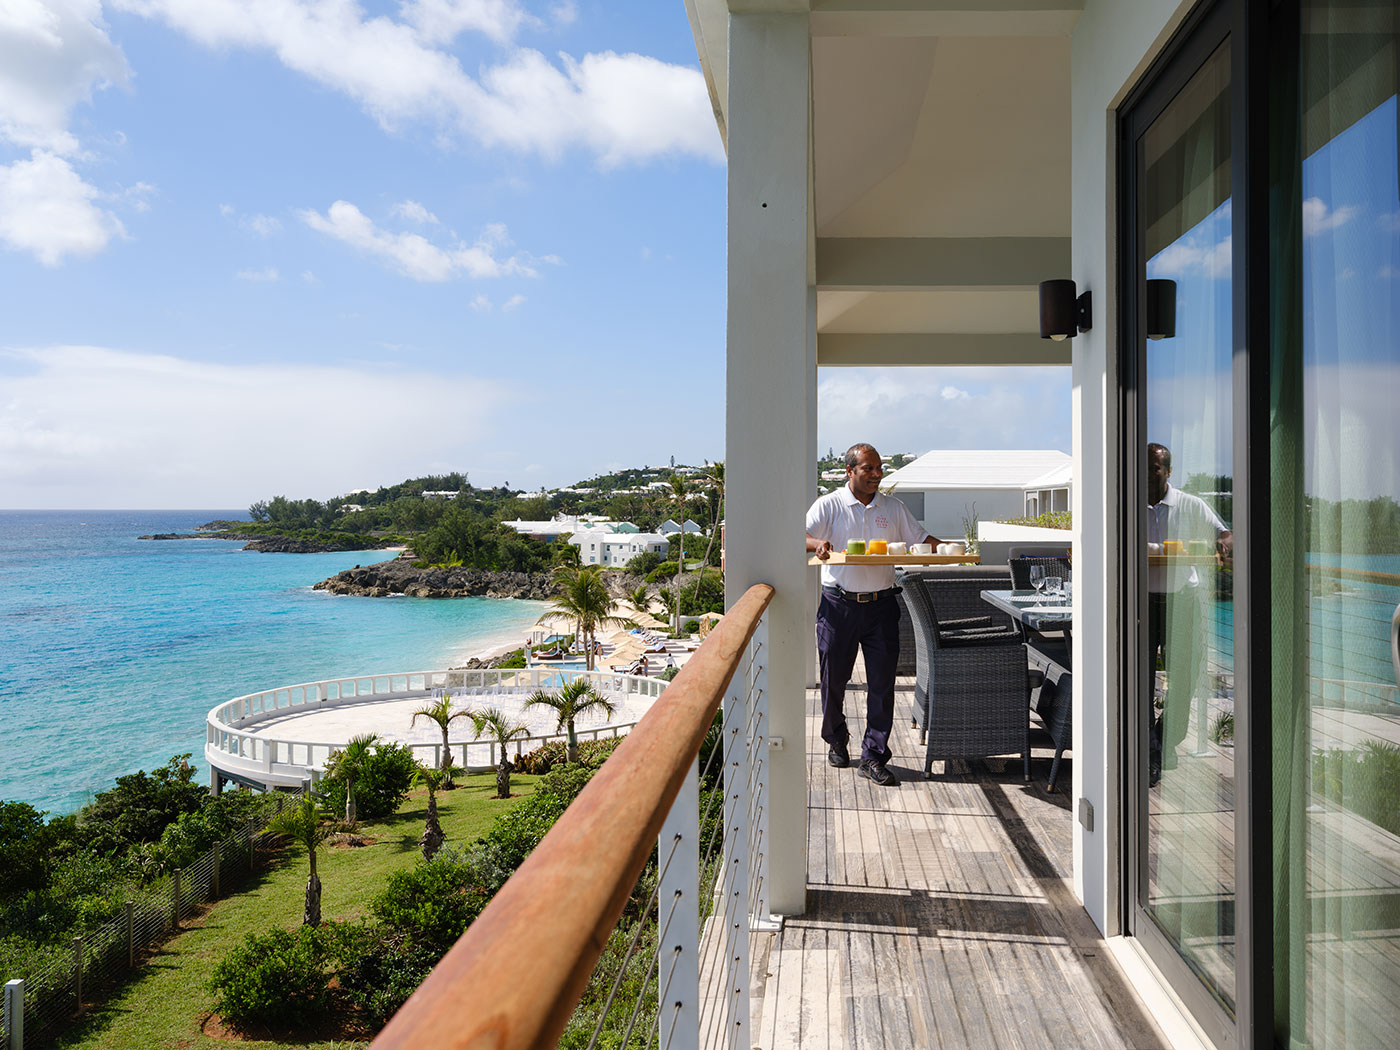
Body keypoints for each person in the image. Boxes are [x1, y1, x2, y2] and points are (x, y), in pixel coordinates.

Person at [806, 444, 938, 786]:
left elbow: (921, 539)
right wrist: (817, 543)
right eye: (869, 468)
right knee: (833, 679)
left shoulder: (893, 508)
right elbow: (801, 534)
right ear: (850, 471)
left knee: (882, 685)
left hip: (882, 606)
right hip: (839, 606)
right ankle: (836, 737)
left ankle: (873, 756)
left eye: (879, 468)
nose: (877, 474)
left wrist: (956, 548)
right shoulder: (830, 504)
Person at [1146, 442, 1232, 786]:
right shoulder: (1125, 504)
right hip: (1140, 603)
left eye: (1155, 467)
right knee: (1139, 681)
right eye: (1145, 467)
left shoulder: (1190, 505)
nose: (1149, 473)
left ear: (1168, 471)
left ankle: (1163, 739)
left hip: (1183, 600)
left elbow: (1224, 533)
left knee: (1185, 681)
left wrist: (1227, 543)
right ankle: (1153, 753)